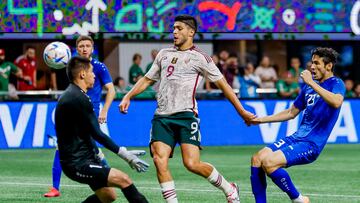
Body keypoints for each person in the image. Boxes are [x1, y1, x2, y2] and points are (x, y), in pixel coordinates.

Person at [119, 15, 255, 203]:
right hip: (162, 116)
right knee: (160, 160)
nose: (174, 31)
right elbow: (147, 79)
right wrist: (128, 96)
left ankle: (229, 188)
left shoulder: (201, 59)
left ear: (191, 32)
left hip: (186, 116)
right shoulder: (163, 54)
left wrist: (242, 111)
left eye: (179, 28)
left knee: (192, 164)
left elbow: (225, 86)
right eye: (173, 28)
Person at [249, 47, 345, 203]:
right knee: (257, 158)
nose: (312, 67)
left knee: (269, 162)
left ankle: (298, 199)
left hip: (311, 144)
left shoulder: (336, 83)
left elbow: (336, 102)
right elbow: (291, 112)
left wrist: (311, 84)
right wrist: (260, 120)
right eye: (311, 63)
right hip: (297, 137)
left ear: (329, 66)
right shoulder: (308, 87)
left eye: (317, 63)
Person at [55, 56, 149, 203]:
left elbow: (84, 132)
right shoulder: (77, 98)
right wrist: (125, 154)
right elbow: (97, 134)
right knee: (124, 179)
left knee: (108, 196)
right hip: (77, 163)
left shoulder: (74, 94)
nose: (94, 75)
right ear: (82, 74)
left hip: (85, 158)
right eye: (92, 72)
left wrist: (96, 154)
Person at [44, 35, 117, 197]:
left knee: (93, 149)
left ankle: (110, 178)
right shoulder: (72, 66)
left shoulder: (98, 67)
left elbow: (111, 90)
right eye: (81, 46)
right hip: (72, 111)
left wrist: (104, 110)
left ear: (92, 49)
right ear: (77, 49)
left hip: (89, 113)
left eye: (87, 46)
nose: (84, 49)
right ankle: (55, 188)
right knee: (62, 145)